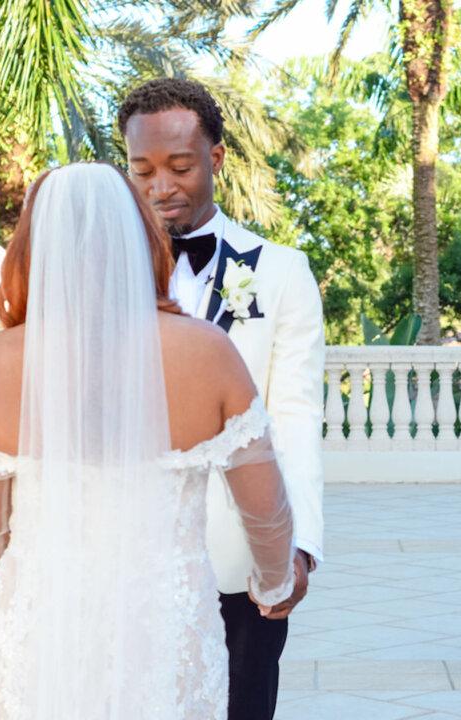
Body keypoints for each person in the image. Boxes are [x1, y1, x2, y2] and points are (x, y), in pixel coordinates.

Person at [0, 163, 296, 719]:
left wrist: (32, 581)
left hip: (42, 622)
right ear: (142, 238)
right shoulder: (207, 352)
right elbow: (265, 509)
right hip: (162, 619)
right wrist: (275, 584)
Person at [118, 78, 325, 720]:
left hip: (241, 549)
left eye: (180, 166)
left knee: (245, 705)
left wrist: (299, 543)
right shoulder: (99, 272)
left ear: (217, 158)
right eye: (142, 169)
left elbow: (293, 416)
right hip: (127, 551)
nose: (160, 186)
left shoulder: (282, 271)